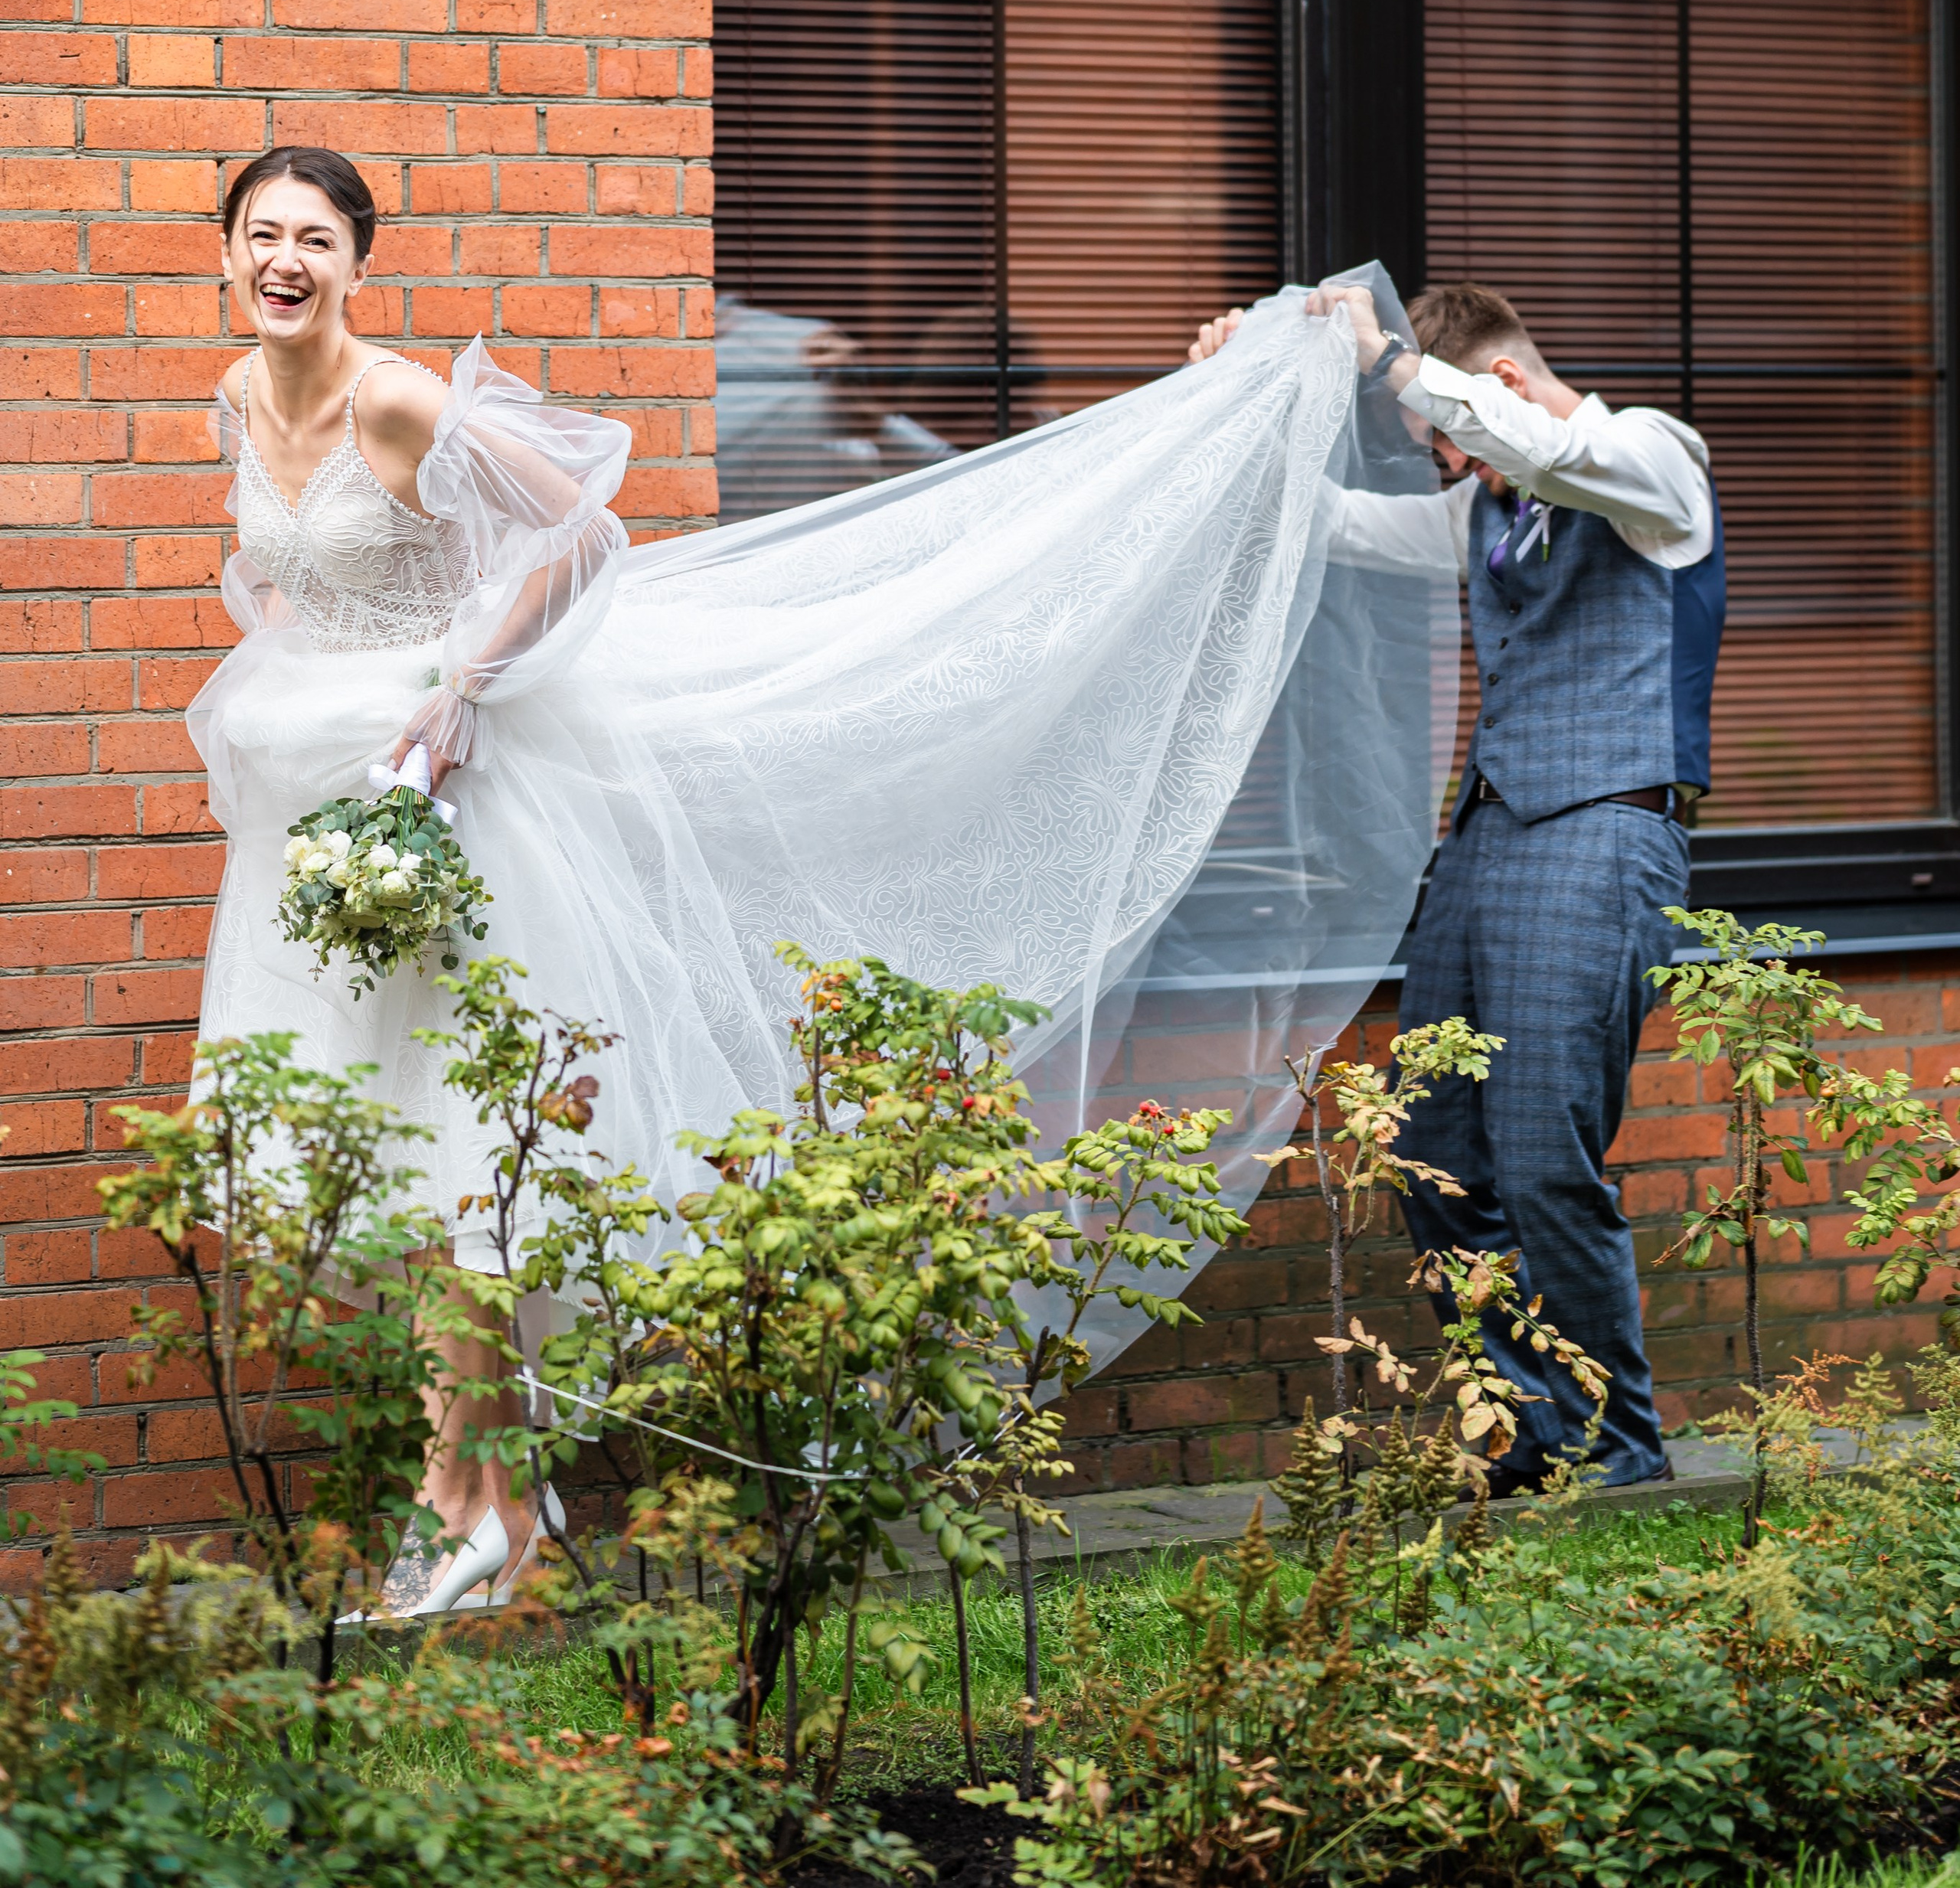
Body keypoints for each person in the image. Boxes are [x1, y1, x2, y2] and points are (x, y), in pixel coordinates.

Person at [191, 151, 1458, 1609]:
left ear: (359, 263)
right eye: (260, 237)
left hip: (455, 814)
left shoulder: (398, 399)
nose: (285, 261)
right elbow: (286, 579)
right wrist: (302, 671)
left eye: (315, 239)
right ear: (224, 254)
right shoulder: (236, 396)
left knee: (473, 1171)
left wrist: (462, 682)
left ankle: (472, 1510)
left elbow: (582, 535)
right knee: (405, 1177)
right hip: (321, 817)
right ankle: (491, 1501)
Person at [1192, 277, 1723, 1488]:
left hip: (1605, 833)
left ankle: (1617, 1443)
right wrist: (1223, 400)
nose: (1447, 464)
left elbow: (1537, 444)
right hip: (1485, 846)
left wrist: (1392, 367)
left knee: (1544, 1156)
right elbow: (1325, 523)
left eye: (1448, 436)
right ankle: (1535, 1433)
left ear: (1499, 389)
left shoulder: (1651, 463)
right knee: (1432, 1150)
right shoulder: (1481, 514)